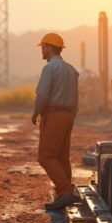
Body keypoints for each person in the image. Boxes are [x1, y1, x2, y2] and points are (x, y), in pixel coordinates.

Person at [32, 32, 80, 210]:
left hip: (54, 115)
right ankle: (64, 193)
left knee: (45, 156)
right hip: (68, 115)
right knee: (61, 156)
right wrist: (72, 114)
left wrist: (36, 112)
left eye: (43, 47)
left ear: (50, 48)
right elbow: (75, 97)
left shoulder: (50, 68)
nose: (42, 51)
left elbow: (43, 94)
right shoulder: (71, 69)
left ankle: (65, 191)